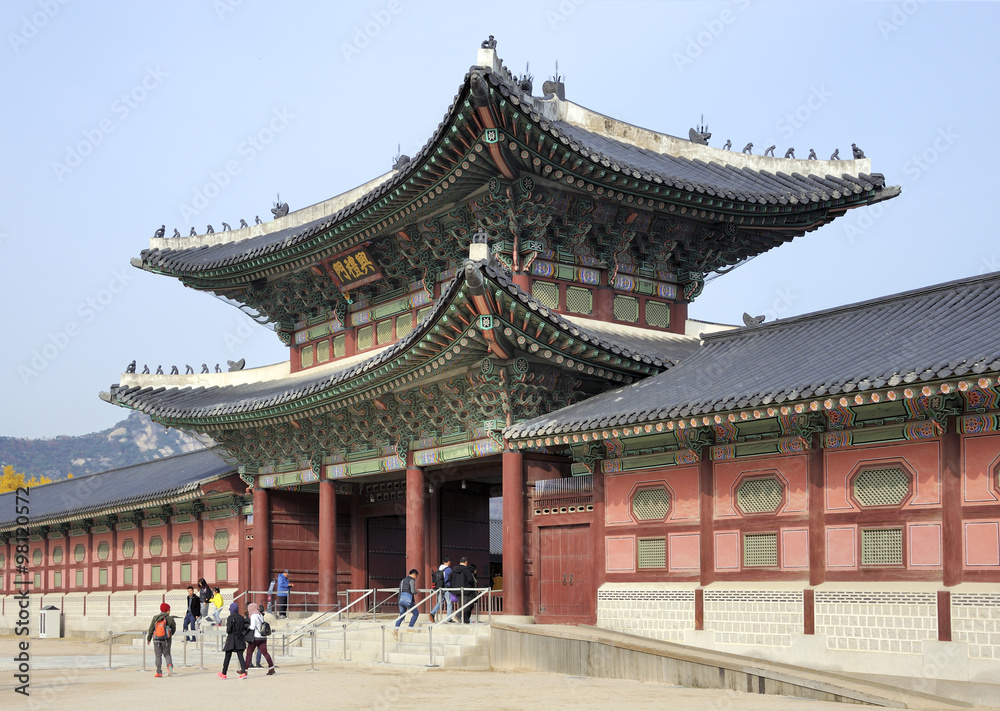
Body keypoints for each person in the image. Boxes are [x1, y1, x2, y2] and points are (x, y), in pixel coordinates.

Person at [243, 602, 275, 675]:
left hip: (256, 637)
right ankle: (271, 668)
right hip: (263, 637)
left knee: (249, 653)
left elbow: (252, 627)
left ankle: (245, 670)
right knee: (265, 653)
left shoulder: (253, 616)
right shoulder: (260, 615)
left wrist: (247, 627)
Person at [145, 602, 176, 678]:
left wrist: (149, 638)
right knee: (167, 654)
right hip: (166, 640)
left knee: (158, 656)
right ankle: (169, 666)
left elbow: (151, 629)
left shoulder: (155, 618)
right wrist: (170, 635)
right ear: (167, 610)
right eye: (169, 610)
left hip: (156, 639)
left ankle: (159, 672)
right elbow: (173, 629)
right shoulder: (170, 618)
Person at [219, 602, 247, 679]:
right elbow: (243, 628)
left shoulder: (230, 617)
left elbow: (228, 630)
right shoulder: (241, 618)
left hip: (231, 638)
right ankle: (243, 672)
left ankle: (224, 673)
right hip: (240, 638)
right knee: (240, 656)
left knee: (227, 656)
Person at [392, 568, 419, 640]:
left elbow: (400, 590)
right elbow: (412, 591)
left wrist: (399, 600)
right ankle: (410, 627)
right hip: (408, 599)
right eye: (416, 576)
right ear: (414, 574)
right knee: (416, 613)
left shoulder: (403, 580)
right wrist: (417, 592)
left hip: (401, 599)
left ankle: (396, 629)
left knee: (402, 615)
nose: (416, 578)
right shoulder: (411, 580)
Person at [450, 556, 477, 623]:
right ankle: (459, 615)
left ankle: (465, 620)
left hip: (457, 590)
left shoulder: (454, 569)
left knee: (462, 604)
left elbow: (450, 577)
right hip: (466, 590)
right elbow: (470, 579)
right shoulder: (466, 569)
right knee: (468, 604)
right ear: (466, 562)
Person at [428, 557, 452, 623]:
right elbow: (450, 579)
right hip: (446, 588)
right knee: (449, 603)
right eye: (450, 562)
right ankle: (449, 618)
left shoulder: (439, 569)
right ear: (448, 562)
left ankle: (432, 613)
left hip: (439, 588)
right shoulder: (448, 569)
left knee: (440, 602)